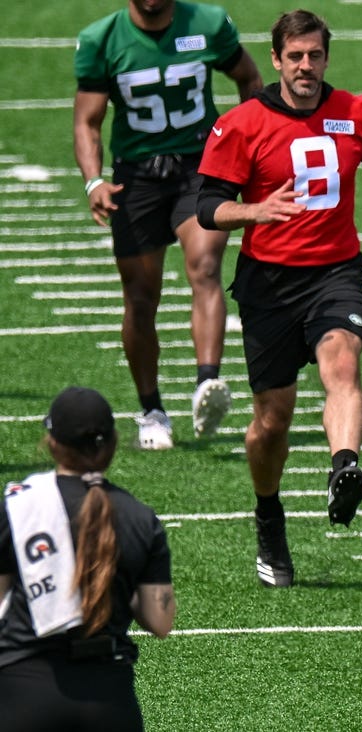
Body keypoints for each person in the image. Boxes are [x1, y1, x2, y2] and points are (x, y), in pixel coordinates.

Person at [196, 9, 362, 588]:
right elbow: (206, 206)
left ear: (326, 57)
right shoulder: (241, 124)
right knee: (273, 420)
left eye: (315, 55)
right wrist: (254, 210)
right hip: (268, 282)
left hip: (335, 271)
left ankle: (345, 468)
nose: (307, 66)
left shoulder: (355, 113)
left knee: (342, 362)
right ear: (276, 59)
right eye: (296, 56)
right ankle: (269, 516)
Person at [73, 0, 264, 449]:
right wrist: (93, 181)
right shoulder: (103, 39)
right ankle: (152, 409)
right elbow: (87, 121)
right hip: (136, 177)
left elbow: (249, 80)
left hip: (201, 166)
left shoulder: (208, 24)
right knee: (141, 297)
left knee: (205, 267)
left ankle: (207, 384)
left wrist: (251, 148)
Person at [0, 387, 175, 731]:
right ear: (111, 446)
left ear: (51, 443)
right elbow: (161, 621)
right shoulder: (140, 517)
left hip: (24, 693)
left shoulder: (17, 508)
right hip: (108, 698)